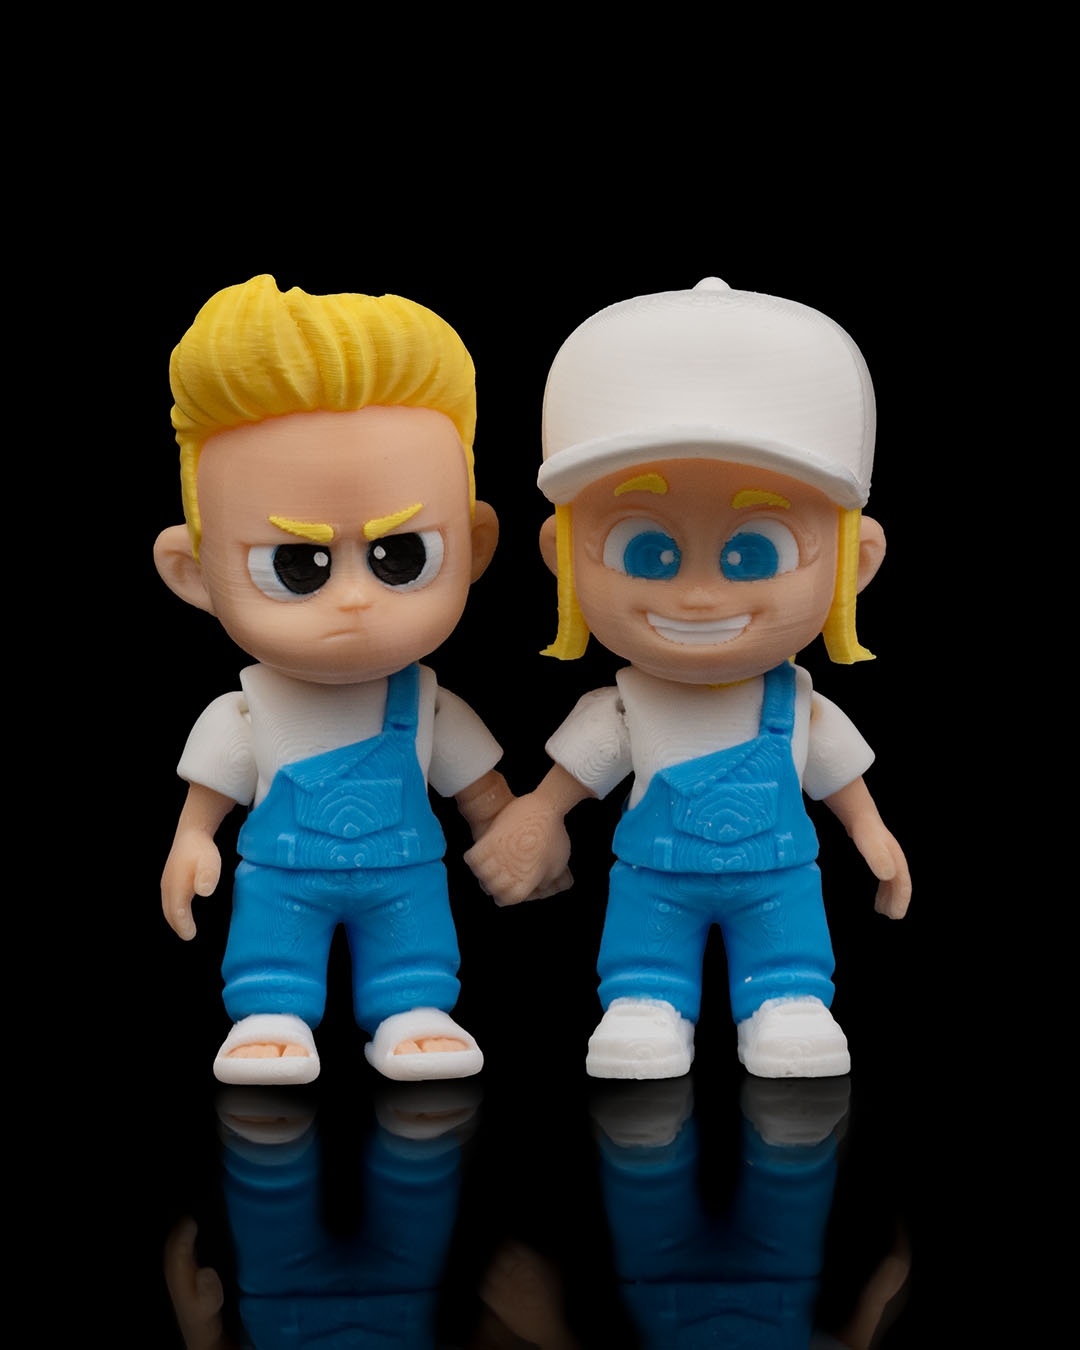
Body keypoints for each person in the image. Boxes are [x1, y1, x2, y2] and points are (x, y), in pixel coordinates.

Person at [467, 276, 911, 1079]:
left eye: (755, 552)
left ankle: (788, 999)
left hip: (776, 874)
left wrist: (871, 832)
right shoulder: (625, 705)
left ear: (857, 562)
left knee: (788, 951)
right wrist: (538, 813)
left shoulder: (798, 705)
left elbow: (839, 779)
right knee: (645, 953)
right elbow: (575, 778)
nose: (700, 596)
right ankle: (644, 999)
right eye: (646, 551)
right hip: (656, 875)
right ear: (562, 557)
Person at [156, 274, 518, 1085]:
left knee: (415, 946)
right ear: (193, 573)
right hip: (283, 871)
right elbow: (209, 795)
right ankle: (269, 1013)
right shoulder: (247, 709)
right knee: (272, 944)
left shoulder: (427, 702)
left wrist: (508, 828)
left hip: (404, 870)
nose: (354, 600)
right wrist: (192, 839)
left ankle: (414, 1008)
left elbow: (481, 792)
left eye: (401, 557)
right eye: (298, 566)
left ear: (475, 545)